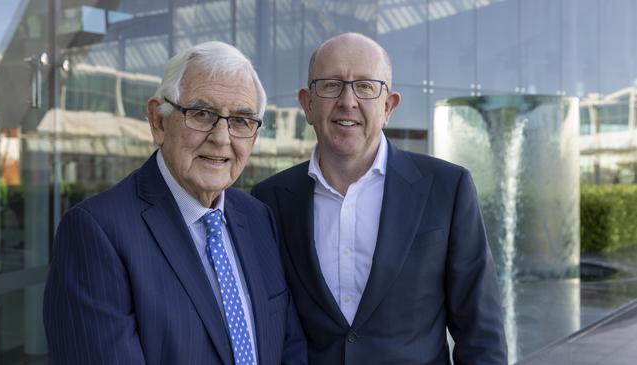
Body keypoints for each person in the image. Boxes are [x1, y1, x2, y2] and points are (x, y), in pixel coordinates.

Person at [43, 41, 307, 364]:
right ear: (158, 121)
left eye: (241, 120)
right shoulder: (96, 233)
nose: (222, 138)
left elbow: (289, 348)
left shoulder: (257, 217)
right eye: (202, 113)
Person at [251, 33, 507, 364]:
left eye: (366, 87)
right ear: (307, 104)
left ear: (388, 106)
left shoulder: (448, 188)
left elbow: (481, 335)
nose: (347, 101)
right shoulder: (269, 200)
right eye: (330, 85)